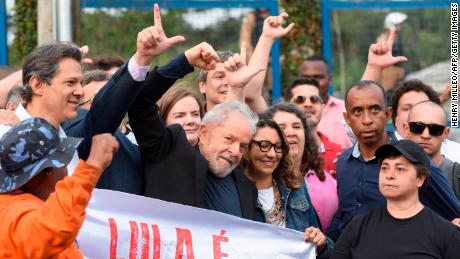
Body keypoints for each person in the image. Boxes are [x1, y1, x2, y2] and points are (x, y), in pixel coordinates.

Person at [129, 40, 265, 218]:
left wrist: (308, 238)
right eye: (229, 139)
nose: (235, 151)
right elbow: (140, 103)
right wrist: (185, 61)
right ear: (203, 132)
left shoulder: (247, 188)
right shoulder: (170, 152)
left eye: (243, 146)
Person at [327, 80, 460, 241]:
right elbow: (344, 214)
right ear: (347, 118)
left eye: (375, 109)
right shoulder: (343, 161)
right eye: (357, 111)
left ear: (388, 114)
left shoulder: (415, 161)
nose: (367, 119)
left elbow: (454, 215)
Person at [0, 118, 118, 258]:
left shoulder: (14, 202)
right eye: (63, 162)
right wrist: (91, 168)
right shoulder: (14, 213)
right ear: (46, 171)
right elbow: (48, 233)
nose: (67, 171)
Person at [332, 140, 460, 259]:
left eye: (400, 169)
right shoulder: (359, 225)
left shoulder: (444, 232)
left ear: (420, 178)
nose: (390, 175)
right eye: (385, 168)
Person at [240, 117, 330, 256]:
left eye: (277, 147)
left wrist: (321, 242)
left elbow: (322, 242)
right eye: (264, 145)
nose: (272, 154)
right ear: (246, 147)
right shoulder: (234, 192)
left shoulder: (297, 189)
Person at [198, 12, 294, 113]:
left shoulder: (251, 120)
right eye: (219, 76)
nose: (229, 81)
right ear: (202, 86)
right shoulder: (193, 120)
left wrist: (267, 37)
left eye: (233, 76)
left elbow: (252, 91)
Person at [265, 103, 338, 231]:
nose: (291, 132)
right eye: (281, 127)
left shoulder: (328, 181)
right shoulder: (260, 183)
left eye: (297, 126)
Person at [389, 80, 460, 164]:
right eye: (407, 108)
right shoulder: (379, 153)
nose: (416, 114)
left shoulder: (456, 155)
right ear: (393, 114)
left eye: (424, 107)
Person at [285, 77, 343, 175]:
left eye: (314, 99)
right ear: (286, 106)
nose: (308, 104)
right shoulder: (277, 151)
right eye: (300, 99)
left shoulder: (340, 154)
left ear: (322, 107)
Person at [403, 101, 460, 199]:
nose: (425, 135)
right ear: (406, 129)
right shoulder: (388, 172)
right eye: (417, 127)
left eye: (435, 129)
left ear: (445, 134)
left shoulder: (456, 175)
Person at [299, 56, 351, 149]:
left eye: (317, 77)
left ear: (329, 79)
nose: (312, 83)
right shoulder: (290, 112)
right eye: (306, 78)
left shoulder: (346, 109)